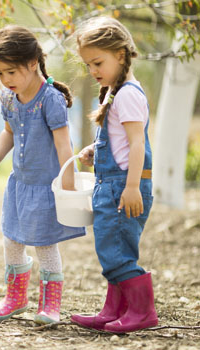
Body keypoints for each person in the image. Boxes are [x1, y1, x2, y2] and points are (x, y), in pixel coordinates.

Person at [0, 25, 85, 325]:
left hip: (46, 187)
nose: (5, 80)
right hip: (20, 186)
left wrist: (68, 184)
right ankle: (15, 298)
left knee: (44, 243)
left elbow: (65, 145)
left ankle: (50, 304)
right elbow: (8, 132)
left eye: (11, 72)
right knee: (11, 239)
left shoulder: (50, 100)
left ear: (32, 63)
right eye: (0, 74)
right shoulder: (10, 100)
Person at [70, 16, 157, 333]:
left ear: (121, 54)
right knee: (110, 248)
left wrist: (132, 186)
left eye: (98, 63)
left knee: (118, 251)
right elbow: (120, 140)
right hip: (111, 185)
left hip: (124, 186)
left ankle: (142, 311)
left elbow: (138, 145)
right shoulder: (114, 92)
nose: (93, 71)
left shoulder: (128, 94)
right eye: (89, 65)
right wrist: (97, 149)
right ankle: (115, 308)